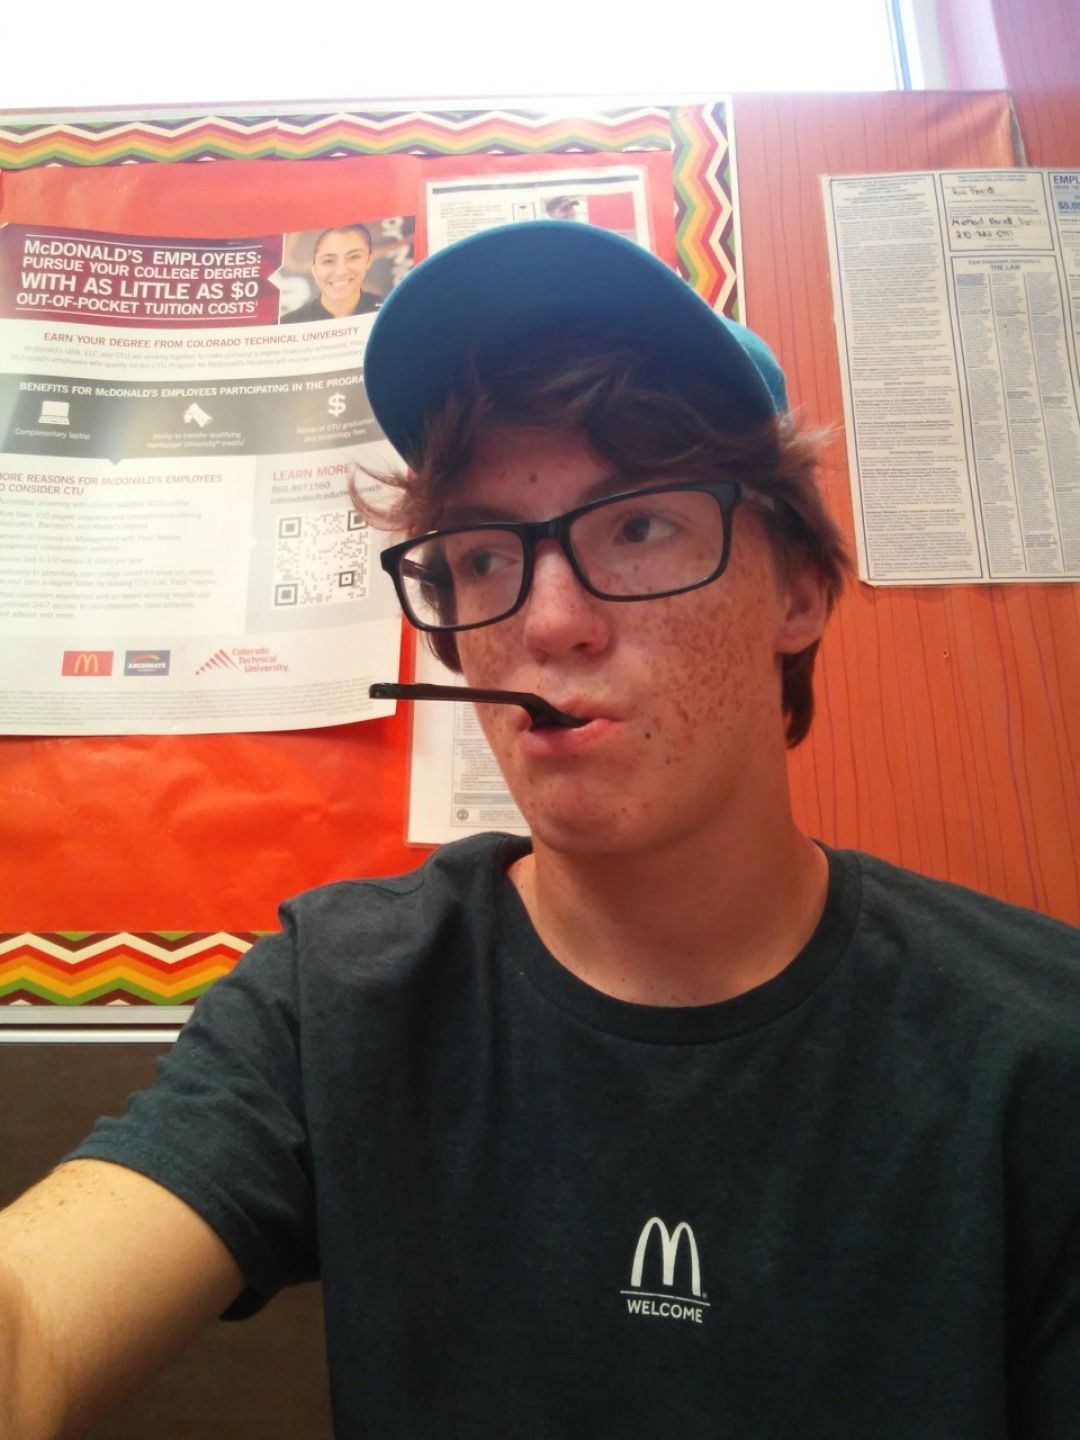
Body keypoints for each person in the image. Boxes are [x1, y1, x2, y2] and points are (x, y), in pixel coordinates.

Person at [2, 222, 1078, 1439]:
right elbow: (33, 1323)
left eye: (637, 529)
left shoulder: (1037, 1049)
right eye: (482, 556)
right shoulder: (338, 999)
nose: (549, 622)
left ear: (797, 591)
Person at [281, 223, 382, 322]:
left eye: (353, 257)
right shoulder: (288, 324)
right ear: (314, 269)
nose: (341, 271)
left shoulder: (389, 311)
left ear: (368, 261)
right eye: (328, 261)